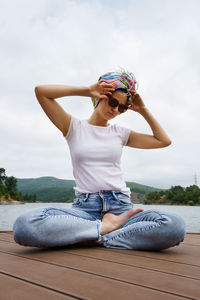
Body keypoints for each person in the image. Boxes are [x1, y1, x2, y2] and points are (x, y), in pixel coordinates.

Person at [13, 70, 186, 250]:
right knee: (25, 225)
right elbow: (41, 92)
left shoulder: (120, 133)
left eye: (122, 108)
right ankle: (104, 229)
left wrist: (143, 110)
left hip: (121, 210)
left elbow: (163, 141)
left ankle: (99, 236)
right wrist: (87, 90)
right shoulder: (73, 126)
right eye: (112, 102)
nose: (115, 110)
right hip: (84, 210)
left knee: (174, 225)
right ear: (100, 95)